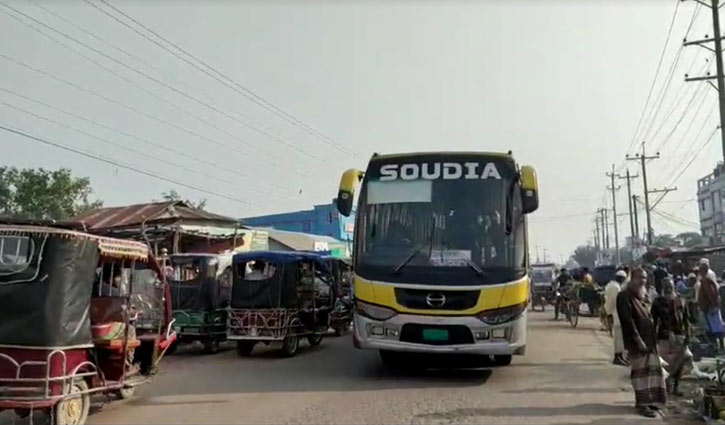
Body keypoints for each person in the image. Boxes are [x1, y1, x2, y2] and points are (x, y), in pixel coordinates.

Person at [617, 267, 666, 418]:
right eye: (639, 277)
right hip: (636, 342)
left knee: (652, 372)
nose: (642, 280)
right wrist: (638, 340)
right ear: (632, 278)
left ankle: (653, 402)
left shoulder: (643, 295)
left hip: (649, 340)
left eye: (645, 278)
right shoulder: (624, 296)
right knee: (640, 374)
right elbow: (627, 321)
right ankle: (642, 404)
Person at [651, 277, 692, 396]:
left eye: (670, 286)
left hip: (679, 336)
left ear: (674, 287)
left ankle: (676, 387)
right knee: (666, 363)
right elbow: (654, 321)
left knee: (680, 361)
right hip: (664, 336)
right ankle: (667, 386)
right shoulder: (658, 302)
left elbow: (686, 319)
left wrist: (688, 335)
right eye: (666, 287)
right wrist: (652, 336)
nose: (668, 289)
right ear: (663, 288)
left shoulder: (681, 300)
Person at [605, 270, 628, 366]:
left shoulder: (613, 285)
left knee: (621, 337)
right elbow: (615, 301)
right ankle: (617, 357)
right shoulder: (615, 287)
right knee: (618, 337)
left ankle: (620, 356)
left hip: (617, 313)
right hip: (618, 313)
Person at [698, 273, 724, 350]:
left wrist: (710, 307)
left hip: (711, 309)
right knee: (715, 328)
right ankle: (717, 345)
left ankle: (716, 346)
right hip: (711, 308)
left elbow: (711, 296)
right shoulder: (710, 285)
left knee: (714, 328)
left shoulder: (708, 285)